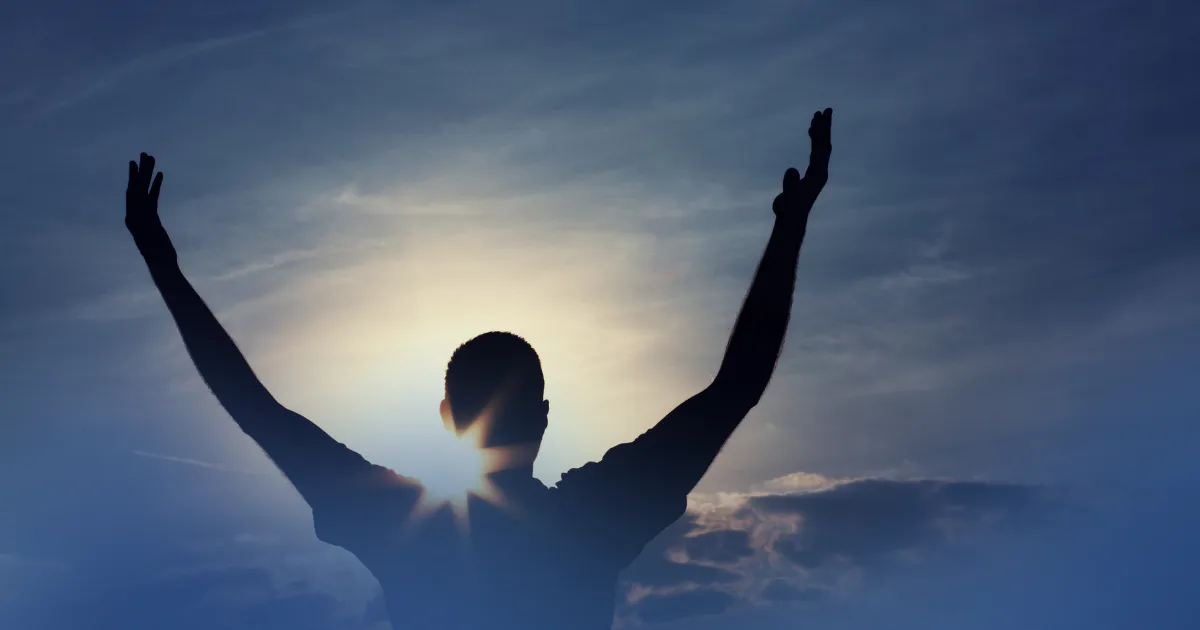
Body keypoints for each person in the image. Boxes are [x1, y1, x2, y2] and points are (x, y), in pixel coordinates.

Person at [124, 108, 833, 629]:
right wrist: (789, 229)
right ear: (546, 416)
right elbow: (736, 387)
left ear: (447, 421)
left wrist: (165, 270)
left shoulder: (401, 523)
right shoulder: (593, 519)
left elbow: (255, 409)